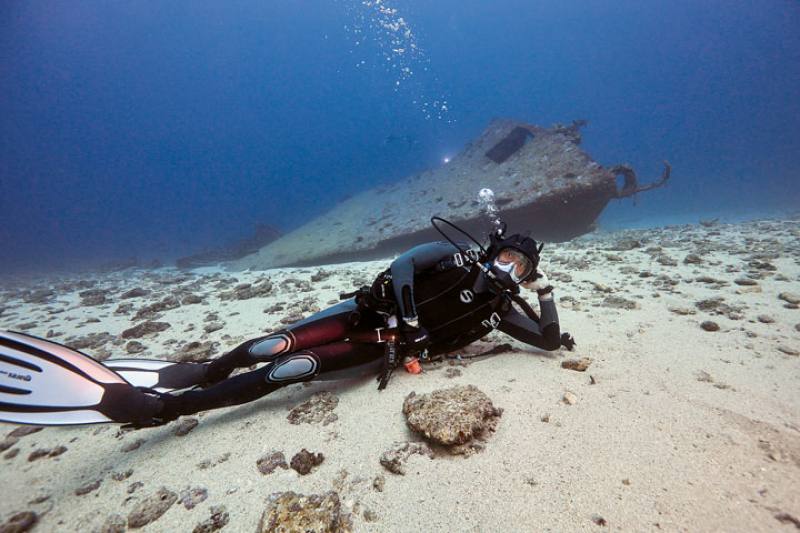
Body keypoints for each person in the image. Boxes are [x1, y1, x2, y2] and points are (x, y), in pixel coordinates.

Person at [0, 218, 575, 428]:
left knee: (289, 370)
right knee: (269, 344)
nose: (508, 269)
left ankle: (163, 410)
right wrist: (408, 317)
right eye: (505, 257)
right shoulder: (450, 256)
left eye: (521, 267)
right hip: (362, 315)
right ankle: (205, 370)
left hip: (379, 350)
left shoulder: (501, 309)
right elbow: (402, 265)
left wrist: (544, 296)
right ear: (492, 249)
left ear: (526, 273)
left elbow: (548, 342)